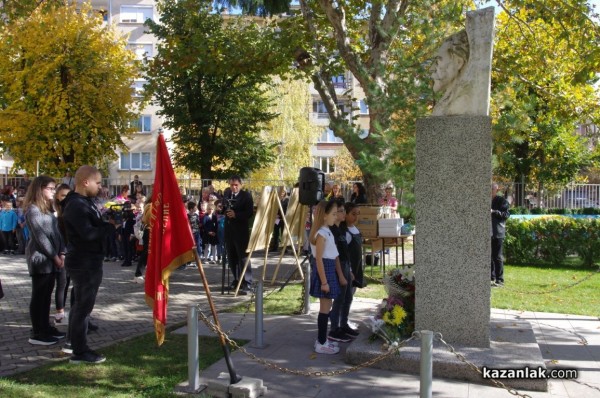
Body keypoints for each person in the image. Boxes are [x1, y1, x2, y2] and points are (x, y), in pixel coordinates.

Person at [62, 165, 114, 364]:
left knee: (80, 306)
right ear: (85, 182)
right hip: (84, 261)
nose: (100, 187)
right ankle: (79, 350)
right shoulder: (76, 204)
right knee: (82, 307)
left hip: (88, 260)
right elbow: (87, 233)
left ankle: (74, 343)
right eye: (98, 182)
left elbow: (92, 227)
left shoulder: (84, 202)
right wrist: (108, 229)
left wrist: (105, 223)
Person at [23, 176, 67, 346]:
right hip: (41, 259)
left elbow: (57, 233)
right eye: (50, 188)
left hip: (53, 260)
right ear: (39, 189)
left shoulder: (48, 209)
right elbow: (41, 237)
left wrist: (62, 252)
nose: (53, 191)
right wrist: (55, 257)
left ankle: (46, 327)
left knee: (47, 295)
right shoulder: (33, 210)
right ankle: (37, 331)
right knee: (39, 296)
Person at [309, 199, 346, 354]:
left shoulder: (327, 231)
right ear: (324, 216)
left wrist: (340, 275)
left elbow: (333, 255)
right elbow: (319, 259)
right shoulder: (321, 234)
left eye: (337, 213)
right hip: (325, 271)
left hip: (329, 269)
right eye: (333, 213)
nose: (336, 216)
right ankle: (322, 342)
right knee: (325, 308)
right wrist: (324, 282)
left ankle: (323, 339)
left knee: (327, 306)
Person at [328, 198, 355, 343]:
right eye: (340, 211)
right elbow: (336, 255)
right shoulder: (331, 230)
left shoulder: (340, 229)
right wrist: (340, 274)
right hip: (339, 266)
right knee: (339, 299)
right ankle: (334, 329)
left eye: (344, 211)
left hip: (345, 265)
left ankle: (343, 324)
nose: (343, 213)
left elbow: (345, 252)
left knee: (348, 297)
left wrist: (349, 269)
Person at [223, 175, 254, 295]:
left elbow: (249, 212)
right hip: (229, 231)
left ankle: (247, 282)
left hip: (241, 231)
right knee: (231, 257)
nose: (234, 187)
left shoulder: (246, 196)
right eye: (232, 185)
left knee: (243, 257)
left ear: (240, 185)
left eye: (236, 185)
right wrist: (221, 208)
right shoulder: (227, 194)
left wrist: (236, 214)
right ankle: (237, 280)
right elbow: (224, 208)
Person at [53, 184, 71, 325]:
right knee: (62, 284)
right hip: (61, 253)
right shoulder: (55, 214)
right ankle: (60, 313)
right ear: (57, 197)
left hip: (73, 253)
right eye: (63, 195)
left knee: (73, 284)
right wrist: (62, 253)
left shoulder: (71, 210)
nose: (66, 198)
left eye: (68, 195)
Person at [491, 183, 510, 287]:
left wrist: (494, 212)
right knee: (489, 256)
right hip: (488, 232)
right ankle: (491, 277)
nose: (490, 191)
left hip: (497, 232)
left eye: (492, 189)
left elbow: (506, 215)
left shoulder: (501, 201)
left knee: (497, 256)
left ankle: (500, 280)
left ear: (496, 190)